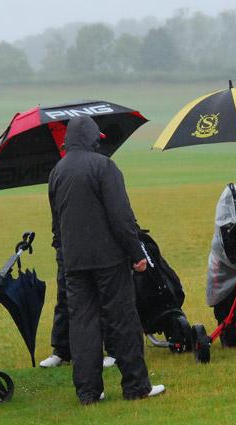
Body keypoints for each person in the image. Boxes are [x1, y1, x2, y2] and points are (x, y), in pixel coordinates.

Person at [48, 115, 164, 404]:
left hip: (73, 262)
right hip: (108, 259)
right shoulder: (104, 167)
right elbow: (121, 216)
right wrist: (137, 254)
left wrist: (64, 256)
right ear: (92, 139)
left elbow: (56, 223)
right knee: (122, 319)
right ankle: (136, 386)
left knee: (82, 324)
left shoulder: (57, 171)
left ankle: (89, 392)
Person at [39, 245, 116, 369]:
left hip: (100, 247)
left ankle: (114, 350)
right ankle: (62, 351)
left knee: (106, 299)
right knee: (64, 298)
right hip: (68, 249)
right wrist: (59, 243)